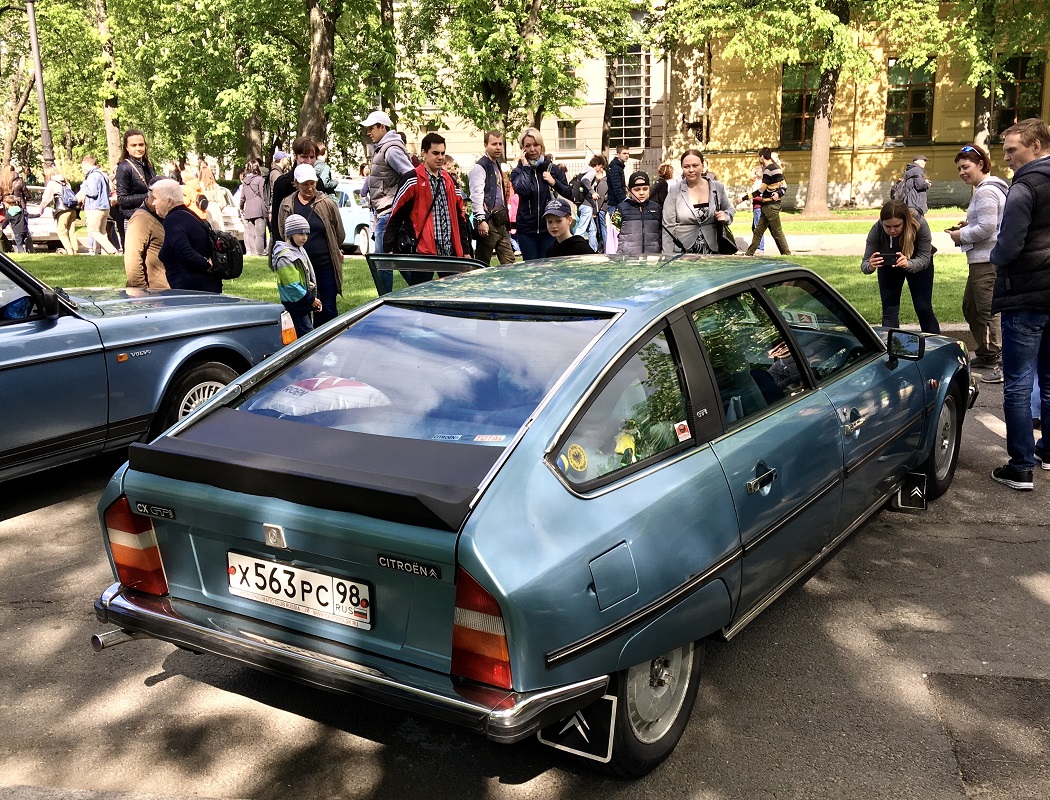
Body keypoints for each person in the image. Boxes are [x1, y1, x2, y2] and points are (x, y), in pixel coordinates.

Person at [987, 118, 1050, 491]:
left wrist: (995, 256)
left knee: (1017, 383)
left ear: (1036, 146)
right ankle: (1046, 452)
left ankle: (1021, 465)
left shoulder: (1025, 186)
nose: (1007, 157)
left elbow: (1008, 246)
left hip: (1026, 297)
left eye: (1013, 149)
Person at [947, 144, 1008, 377]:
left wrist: (959, 235)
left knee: (987, 310)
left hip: (986, 261)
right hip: (981, 259)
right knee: (971, 307)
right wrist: (968, 226)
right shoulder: (988, 189)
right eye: (959, 169)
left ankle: (999, 361)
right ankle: (987, 353)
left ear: (981, 164)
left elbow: (988, 228)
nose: (962, 172)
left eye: (966, 167)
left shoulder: (985, 191)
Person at [384, 132, 473, 283]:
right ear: (424, 153)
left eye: (443, 153)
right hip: (423, 251)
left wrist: (465, 250)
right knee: (422, 295)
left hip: (448, 250)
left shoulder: (449, 180)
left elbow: (460, 217)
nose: (440, 157)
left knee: (451, 296)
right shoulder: (412, 179)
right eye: (435, 153)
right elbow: (397, 214)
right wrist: (388, 246)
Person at [277, 163, 344, 325]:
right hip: (298, 268)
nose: (309, 188)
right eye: (305, 184)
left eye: (312, 183)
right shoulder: (287, 204)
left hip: (325, 265)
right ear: (296, 183)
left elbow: (339, 232)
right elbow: (282, 230)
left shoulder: (327, 203)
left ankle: (327, 346)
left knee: (327, 309)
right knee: (301, 310)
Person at [860, 200, 939, 333]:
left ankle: (936, 348)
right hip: (889, 267)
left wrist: (908, 263)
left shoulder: (920, 224)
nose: (892, 230)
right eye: (887, 226)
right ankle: (891, 351)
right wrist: (871, 266)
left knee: (923, 307)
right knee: (889, 310)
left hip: (918, 265)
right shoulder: (877, 229)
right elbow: (865, 263)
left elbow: (925, 258)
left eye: (897, 226)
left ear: (906, 221)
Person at [361, 110, 415, 293]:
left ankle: (384, 300)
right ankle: (422, 289)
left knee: (383, 261)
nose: (369, 132)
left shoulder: (390, 149)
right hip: (385, 212)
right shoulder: (384, 148)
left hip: (389, 213)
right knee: (396, 259)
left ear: (382, 127)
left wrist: (398, 205)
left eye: (372, 128)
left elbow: (410, 176)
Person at [510, 127, 570, 260]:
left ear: (541, 146)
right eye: (528, 146)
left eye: (536, 145)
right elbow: (523, 190)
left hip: (548, 227)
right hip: (526, 229)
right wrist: (525, 167)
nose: (532, 149)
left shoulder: (552, 169)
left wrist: (554, 182)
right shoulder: (517, 172)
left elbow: (569, 192)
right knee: (531, 269)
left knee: (548, 266)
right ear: (522, 148)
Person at [662, 149, 734, 254]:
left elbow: (730, 210)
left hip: (712, 249)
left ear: (702, 165)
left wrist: (725, 216)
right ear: (682, 168)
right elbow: (668, 225)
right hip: (683, 251)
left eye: (695, 165)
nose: (691, 170)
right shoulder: (675, 190)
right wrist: (667, 256)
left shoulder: (717, 187)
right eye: (686, 167)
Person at [154, 178, 219, 292]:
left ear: (169, 201)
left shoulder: (173, 220)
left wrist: (208, 267)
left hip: (191, 291)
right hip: (207, 286)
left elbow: (185, 252)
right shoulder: (191, 215)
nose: (153, 203)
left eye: (155, 198)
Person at [467, 130, 514, 265]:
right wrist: (481, 219)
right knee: (482, 263)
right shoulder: (480, 167)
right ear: (485, 145)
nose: (498, 147)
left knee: (509, 261)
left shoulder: (496, 164)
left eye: (500, 144)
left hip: (500, 221)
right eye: (494, 144)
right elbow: (476, 195)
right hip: (487, 221)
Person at [271, 212, 321, 336]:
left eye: (306, 234)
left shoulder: (300, 249)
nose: (304, 237)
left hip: (303, 301)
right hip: (295, 304)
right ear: (290, 234)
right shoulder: (284, 257)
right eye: (300, 233)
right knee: (307, 337)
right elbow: (292, 285)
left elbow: (308, 275)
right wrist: (311, 299)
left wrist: (313, 297)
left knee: (305, 335)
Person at [269, 136, 318, 241]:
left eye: (312, 157)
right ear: (296, 156)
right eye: (304, 157)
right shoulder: (282, 184)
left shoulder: (320, 184)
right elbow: (276, 221)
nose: (309, 161)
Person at [123, 180, 169, 289]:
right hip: (155, 296)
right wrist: (141, 293)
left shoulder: (160, 215)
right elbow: (132, 261)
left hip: (165, 293)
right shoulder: (141, 220)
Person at [745, 148, 790, 255]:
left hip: (771, 205)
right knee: (758, 231)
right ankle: (749, 253)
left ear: (761, 157)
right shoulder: (776, 168)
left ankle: (787, 254)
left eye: (758, 156)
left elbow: (762, 189)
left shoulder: (769, 170)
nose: (758, 159)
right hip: (766, 205)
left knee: (777, 232)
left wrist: (744, 198)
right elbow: (784, 185)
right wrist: (779, 193)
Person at [115, 128, 156, 244]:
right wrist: (149, 196)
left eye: (141, 144)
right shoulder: (124, 167)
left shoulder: (148, 165)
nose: (138, 148)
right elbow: (122, 199)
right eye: (134, 145)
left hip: (151, 217)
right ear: (127, 148)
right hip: (134, 219)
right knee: (135, 259)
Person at [77, 155, 118, 255]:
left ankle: (112, 250)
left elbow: (92, 192)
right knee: (102, 232)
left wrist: (83, 186)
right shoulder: (103, 174)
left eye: (82, 166)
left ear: (85, 164)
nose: (82, 169)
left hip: (95, 207)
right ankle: (104, 253)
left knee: (93, 231)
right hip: (105, 207)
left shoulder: (92, 176)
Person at [616, 171, 662, 255]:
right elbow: (612, 236)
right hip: (627, 259)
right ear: (629, 191)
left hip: (652, 258)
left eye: (645, 189)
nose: (641, 193)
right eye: (637, 190)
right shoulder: (621, 209)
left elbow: (661, 233)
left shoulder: (657, 208)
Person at [39, 166, 78, 254]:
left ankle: (69, 250)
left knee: (61, 231)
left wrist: (41, 208)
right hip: (72, 208)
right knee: (71, 230)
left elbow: (46, 198)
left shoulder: (52, 183)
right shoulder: (65, 182)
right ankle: (75, 250)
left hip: (62, 209)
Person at [239, 160, 268, 256]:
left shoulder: (245, 182)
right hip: (259, 208)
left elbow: (242, 198)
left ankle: (254, 252)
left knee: (251, 234)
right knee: (260, 234)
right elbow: (263, 195)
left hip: (249, 209)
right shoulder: (260, 179)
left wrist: (241, 207)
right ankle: (260, 253)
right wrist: (267, 207)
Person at [740, 163, 765, 252]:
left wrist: (745, 198)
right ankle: (757, 246)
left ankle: (760, 247)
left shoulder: (760, 182)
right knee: (754, 227)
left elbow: (759, 195)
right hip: (756, 207)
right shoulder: (757, 182)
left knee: (758, 227)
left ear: (756, 174)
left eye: (752, 173)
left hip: (758, 207)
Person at [198, 164, 227, 231]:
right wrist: (218, 208)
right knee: (217, 230)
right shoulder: (215, 186)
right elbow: (222, 202)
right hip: (215, 208)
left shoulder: (199, 186)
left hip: (204, 208)